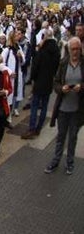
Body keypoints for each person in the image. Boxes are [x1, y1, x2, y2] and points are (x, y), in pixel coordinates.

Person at [45, 37, 84, 175]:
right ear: (68, 49)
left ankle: (70, 163)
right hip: (63, 108)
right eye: (73, 49)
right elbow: (55, 83)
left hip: (77, 109)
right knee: (61, 137)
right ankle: (55, 161)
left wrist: (82, 87)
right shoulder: (63, 64)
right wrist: (62, 89)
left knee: (73, 137)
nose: (75, 51)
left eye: (77, 49)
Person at [23, 33, 60, 139]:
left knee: (34, 106)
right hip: (48, 82)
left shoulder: (42, 52)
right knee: (44, 106)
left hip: (39, 82)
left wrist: (32, 78)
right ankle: (38, 128)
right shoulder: (56, 52)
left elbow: (35, 68)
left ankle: (31, 128)